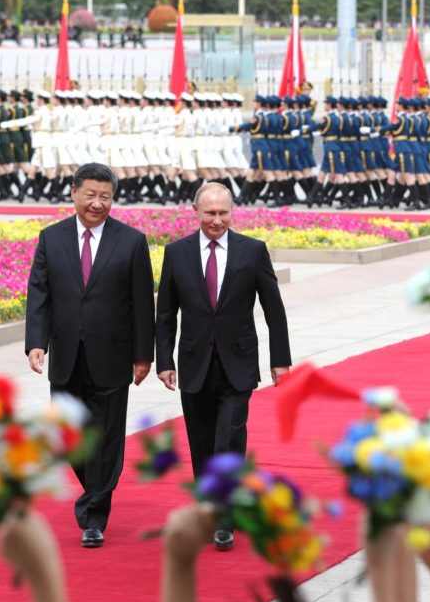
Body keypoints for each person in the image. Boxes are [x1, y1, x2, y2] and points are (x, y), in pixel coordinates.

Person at [24, 162, 156, 549]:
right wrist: (37, 343)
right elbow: (40, 295)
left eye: (105, 197)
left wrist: (142, 356)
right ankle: (96, 488)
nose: (97, 203)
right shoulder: (52, 238)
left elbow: (141, 306)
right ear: (74, 192)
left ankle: (93, 515)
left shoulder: (131, 241)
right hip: (66, 356)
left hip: (112, 358)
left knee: (106, 439)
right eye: (91, 195)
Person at [155, 182, 292, 551]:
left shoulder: (252, 251)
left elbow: (274, 309)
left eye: (223, 213)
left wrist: (280, 359)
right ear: (195, 211)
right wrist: (164, 360)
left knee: (229, 437)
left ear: (233, 212)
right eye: (209, 213)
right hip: (194, 363)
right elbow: (166, 313)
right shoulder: (177, 253)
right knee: (200, 441)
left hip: (238, 363)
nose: (217, 220)